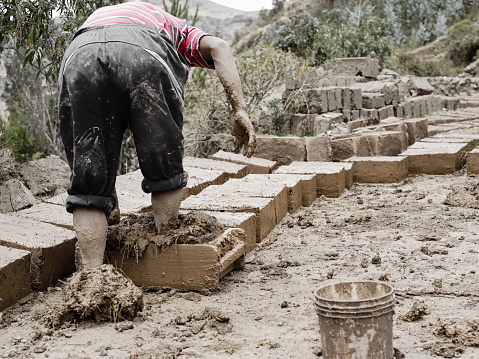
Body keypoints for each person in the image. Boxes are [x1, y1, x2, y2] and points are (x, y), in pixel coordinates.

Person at [58, 1, 256, 270]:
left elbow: (101, 139)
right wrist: (239, 109)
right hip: (143, 50)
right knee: (164, 162)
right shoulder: (179, 30)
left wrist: (106, 193)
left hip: (79, 56)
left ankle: (92, 278)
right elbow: (219, 47)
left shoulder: (109, 15)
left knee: (89, 178)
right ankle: (165, 250)